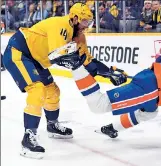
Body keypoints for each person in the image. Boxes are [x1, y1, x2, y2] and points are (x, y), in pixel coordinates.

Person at [3, 2, 127, 159]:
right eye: (84, 21)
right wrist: (76, 60)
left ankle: (52, 125)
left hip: (36, 60)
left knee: (53, 92)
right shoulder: (61, 24)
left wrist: (109, 73)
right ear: (74, 18)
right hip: (19, 52)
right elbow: (58, 56)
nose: (86, 26)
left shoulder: (79, 36)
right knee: (37, 90)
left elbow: (87, 62)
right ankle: (28, 138)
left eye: (89, 22)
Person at [52, 51, 161, 139]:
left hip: (149, 78)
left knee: (150, 112)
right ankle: (76, 66)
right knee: (98, 105)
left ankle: (113, 128)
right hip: (153, 90)